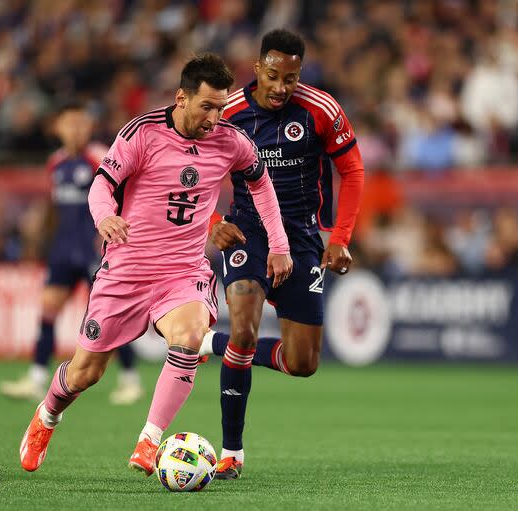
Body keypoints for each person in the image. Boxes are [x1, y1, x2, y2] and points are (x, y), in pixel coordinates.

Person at [18, 53, 293, 475]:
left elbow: (261, 184)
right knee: (85, 373)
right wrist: (105, 216)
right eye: (207, 106)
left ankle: (148, 441)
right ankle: (48, 415)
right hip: (126, 271)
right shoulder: (143, 133)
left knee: (188, 337)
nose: (215, 117)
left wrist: (279, 243)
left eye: (221, 107)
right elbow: (101, 187)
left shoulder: (231, 141)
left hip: (183, 272)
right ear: (182, 98)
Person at [201, 29, 365, 479]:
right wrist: (215, 224)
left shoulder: (321, 109)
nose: (280, 87)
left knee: (303, 363)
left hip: (303, 236)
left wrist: (340, 236)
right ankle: (231, 452)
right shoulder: (228, 113)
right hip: (247, 232)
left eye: (290, 78)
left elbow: (351, 170)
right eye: (272, 76)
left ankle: (210, 342)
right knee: (247, 329)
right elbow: (191, 172)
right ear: (256, 69)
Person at [0, 101, 143, 405]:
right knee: (48, 308)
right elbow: (55, 207)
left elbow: (124, 194)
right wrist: (41, 238)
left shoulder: (101, 157)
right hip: (64, 247)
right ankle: (37, 377)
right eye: (69, 123)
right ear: (59, 127)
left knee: (109, 316)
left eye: (81, 123)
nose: (75, 129)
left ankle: (131, 379)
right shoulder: (56, 162)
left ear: (89, 127)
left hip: (96, 247)